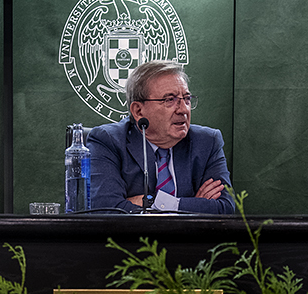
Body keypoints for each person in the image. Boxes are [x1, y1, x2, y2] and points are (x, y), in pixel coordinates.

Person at [87, 61, 234, 214]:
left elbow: (224, 208)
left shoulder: (207, 142)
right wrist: (193, 206)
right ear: (138, 111)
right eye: (170, 100)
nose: (183, 109)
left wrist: (155, 202)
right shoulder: (108, 141)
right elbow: (107, 210)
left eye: (187, 98)